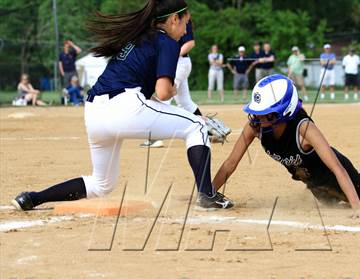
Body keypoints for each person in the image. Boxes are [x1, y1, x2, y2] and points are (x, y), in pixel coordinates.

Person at [11, 0, 233, 212]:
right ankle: (207, 195)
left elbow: (147, 96)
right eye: (186, 22)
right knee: (196, 127)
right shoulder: (167, 41)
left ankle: (32, 197)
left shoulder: (137, 38)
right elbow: (164, 93)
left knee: (101, 184)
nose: (186, 29)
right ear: (174, 19)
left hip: (94, 112)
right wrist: (183, 101)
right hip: (126, 107)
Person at [212, 74, 360, 219]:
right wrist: (209, 193)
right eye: (257, 111)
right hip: (317, 186)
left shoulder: (305, 129)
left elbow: (336, 168)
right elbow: (231, 163)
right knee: (329, 200)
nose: (257, 117)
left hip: (336, 174)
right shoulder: (255, 127)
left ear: (285, 111)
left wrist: (357, 207)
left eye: (266, 112)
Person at [141, 19, 200, 148]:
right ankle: (206, 128)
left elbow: (190, 43)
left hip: (179, 63)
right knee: (185, 102)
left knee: (163, 99)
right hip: (180, 63)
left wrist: (171, 55)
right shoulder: (167, 19)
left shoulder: (181, 19)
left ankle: (156, 138)